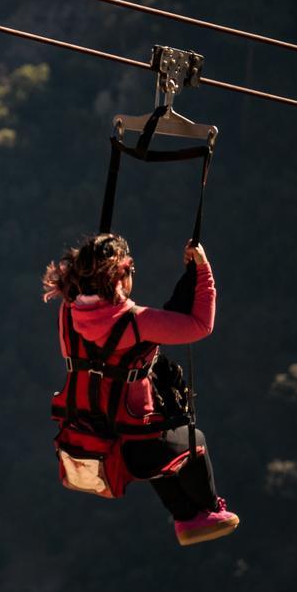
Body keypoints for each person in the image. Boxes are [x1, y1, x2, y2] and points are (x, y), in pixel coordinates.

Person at [42, 232, 240, 546]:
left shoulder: (68, 311)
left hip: (91, 433)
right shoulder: (135, 323)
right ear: (118, 278)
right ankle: (209, 510)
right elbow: (200, 324)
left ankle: (186, 519)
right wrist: (202, 270)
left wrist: (95, 253)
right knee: (193, 443)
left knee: (157, 455)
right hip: (133, 445)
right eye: (130, 271)